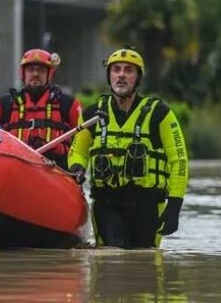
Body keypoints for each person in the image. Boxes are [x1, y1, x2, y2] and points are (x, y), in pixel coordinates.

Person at [68, 48, 189, 249]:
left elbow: (179, 161)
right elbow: (78, 152)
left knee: (144, 264)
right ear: (109, 76)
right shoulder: (92, 114)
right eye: (116, 70)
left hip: (147, 204)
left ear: (138, 78)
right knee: (111, 261)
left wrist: (174, 206)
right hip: (107, 203)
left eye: (128, 70)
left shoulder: (160, 114)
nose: (121, 75)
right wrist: (77, 168)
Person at [0, 49, 82, 169]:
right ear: (23, 73)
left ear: (50, 74)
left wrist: (76, 164)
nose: (35, 74)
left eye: (41, 70)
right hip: (14, 167)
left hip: (56, 170)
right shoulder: (3, 104)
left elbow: (84, 137)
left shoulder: (68, 104)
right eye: (31, 70)